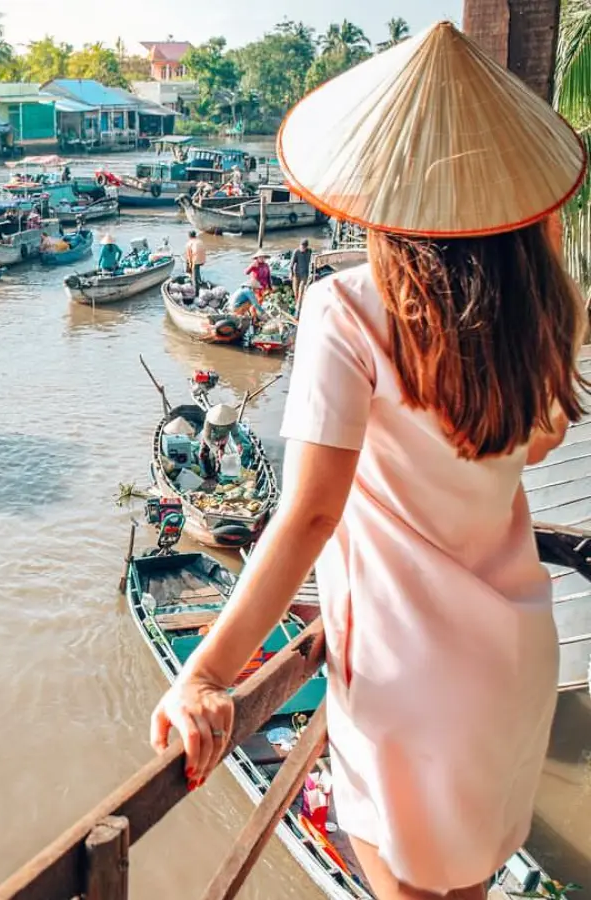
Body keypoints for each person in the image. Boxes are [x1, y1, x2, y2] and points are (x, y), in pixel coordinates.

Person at [149, 22, 586, 900]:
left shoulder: (346, 306)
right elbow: (540, 442)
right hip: (510, 660)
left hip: (402, 674)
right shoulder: (543, 307)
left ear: (379, 178)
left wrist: (206, 674)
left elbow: (310, 513)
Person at [290, 239, 312, 306]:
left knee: (301, 289)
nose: (302, 248)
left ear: (306, 247)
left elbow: (311, 260)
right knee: (295, 290)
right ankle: (297, 302)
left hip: (305, 274)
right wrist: (291, 273)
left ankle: (299, 304)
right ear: (299, 246)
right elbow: (292, 263)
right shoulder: (296, 252)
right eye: (301, 247)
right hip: (296, 273)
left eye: (304, 247)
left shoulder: (309, 251)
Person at [185, 230, 207, 294]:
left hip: (196, 260)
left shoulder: (189, 243)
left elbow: (189, 256)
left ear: (189, 236)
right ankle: (200, 281)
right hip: (202, 259)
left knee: (194, 276)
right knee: (197, 269)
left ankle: (196, 292)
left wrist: (190, 265)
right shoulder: (199, 241)